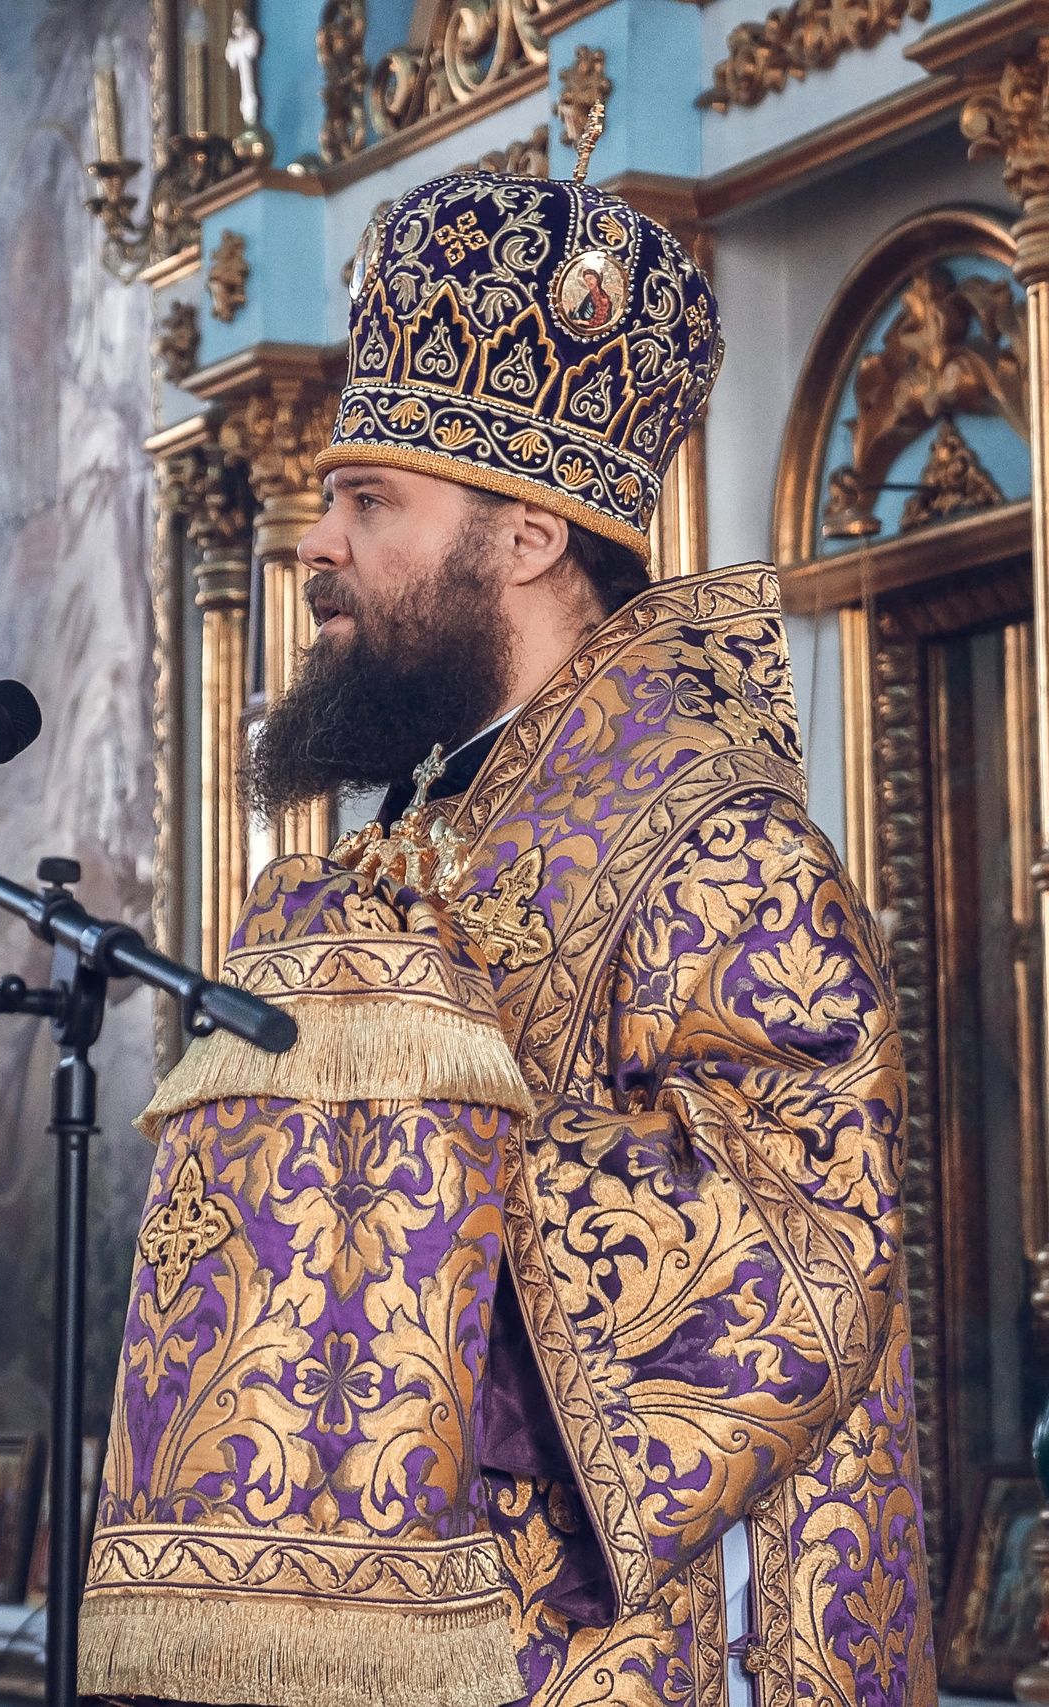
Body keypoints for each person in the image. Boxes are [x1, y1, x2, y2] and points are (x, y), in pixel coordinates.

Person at [82, 147, 931, 1707]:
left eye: (367, 501)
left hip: (610, 1652)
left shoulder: (719, 844)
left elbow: (816, 1246)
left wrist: (431, 1221)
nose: (315, 544)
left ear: (529, 534)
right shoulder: (408, 841)